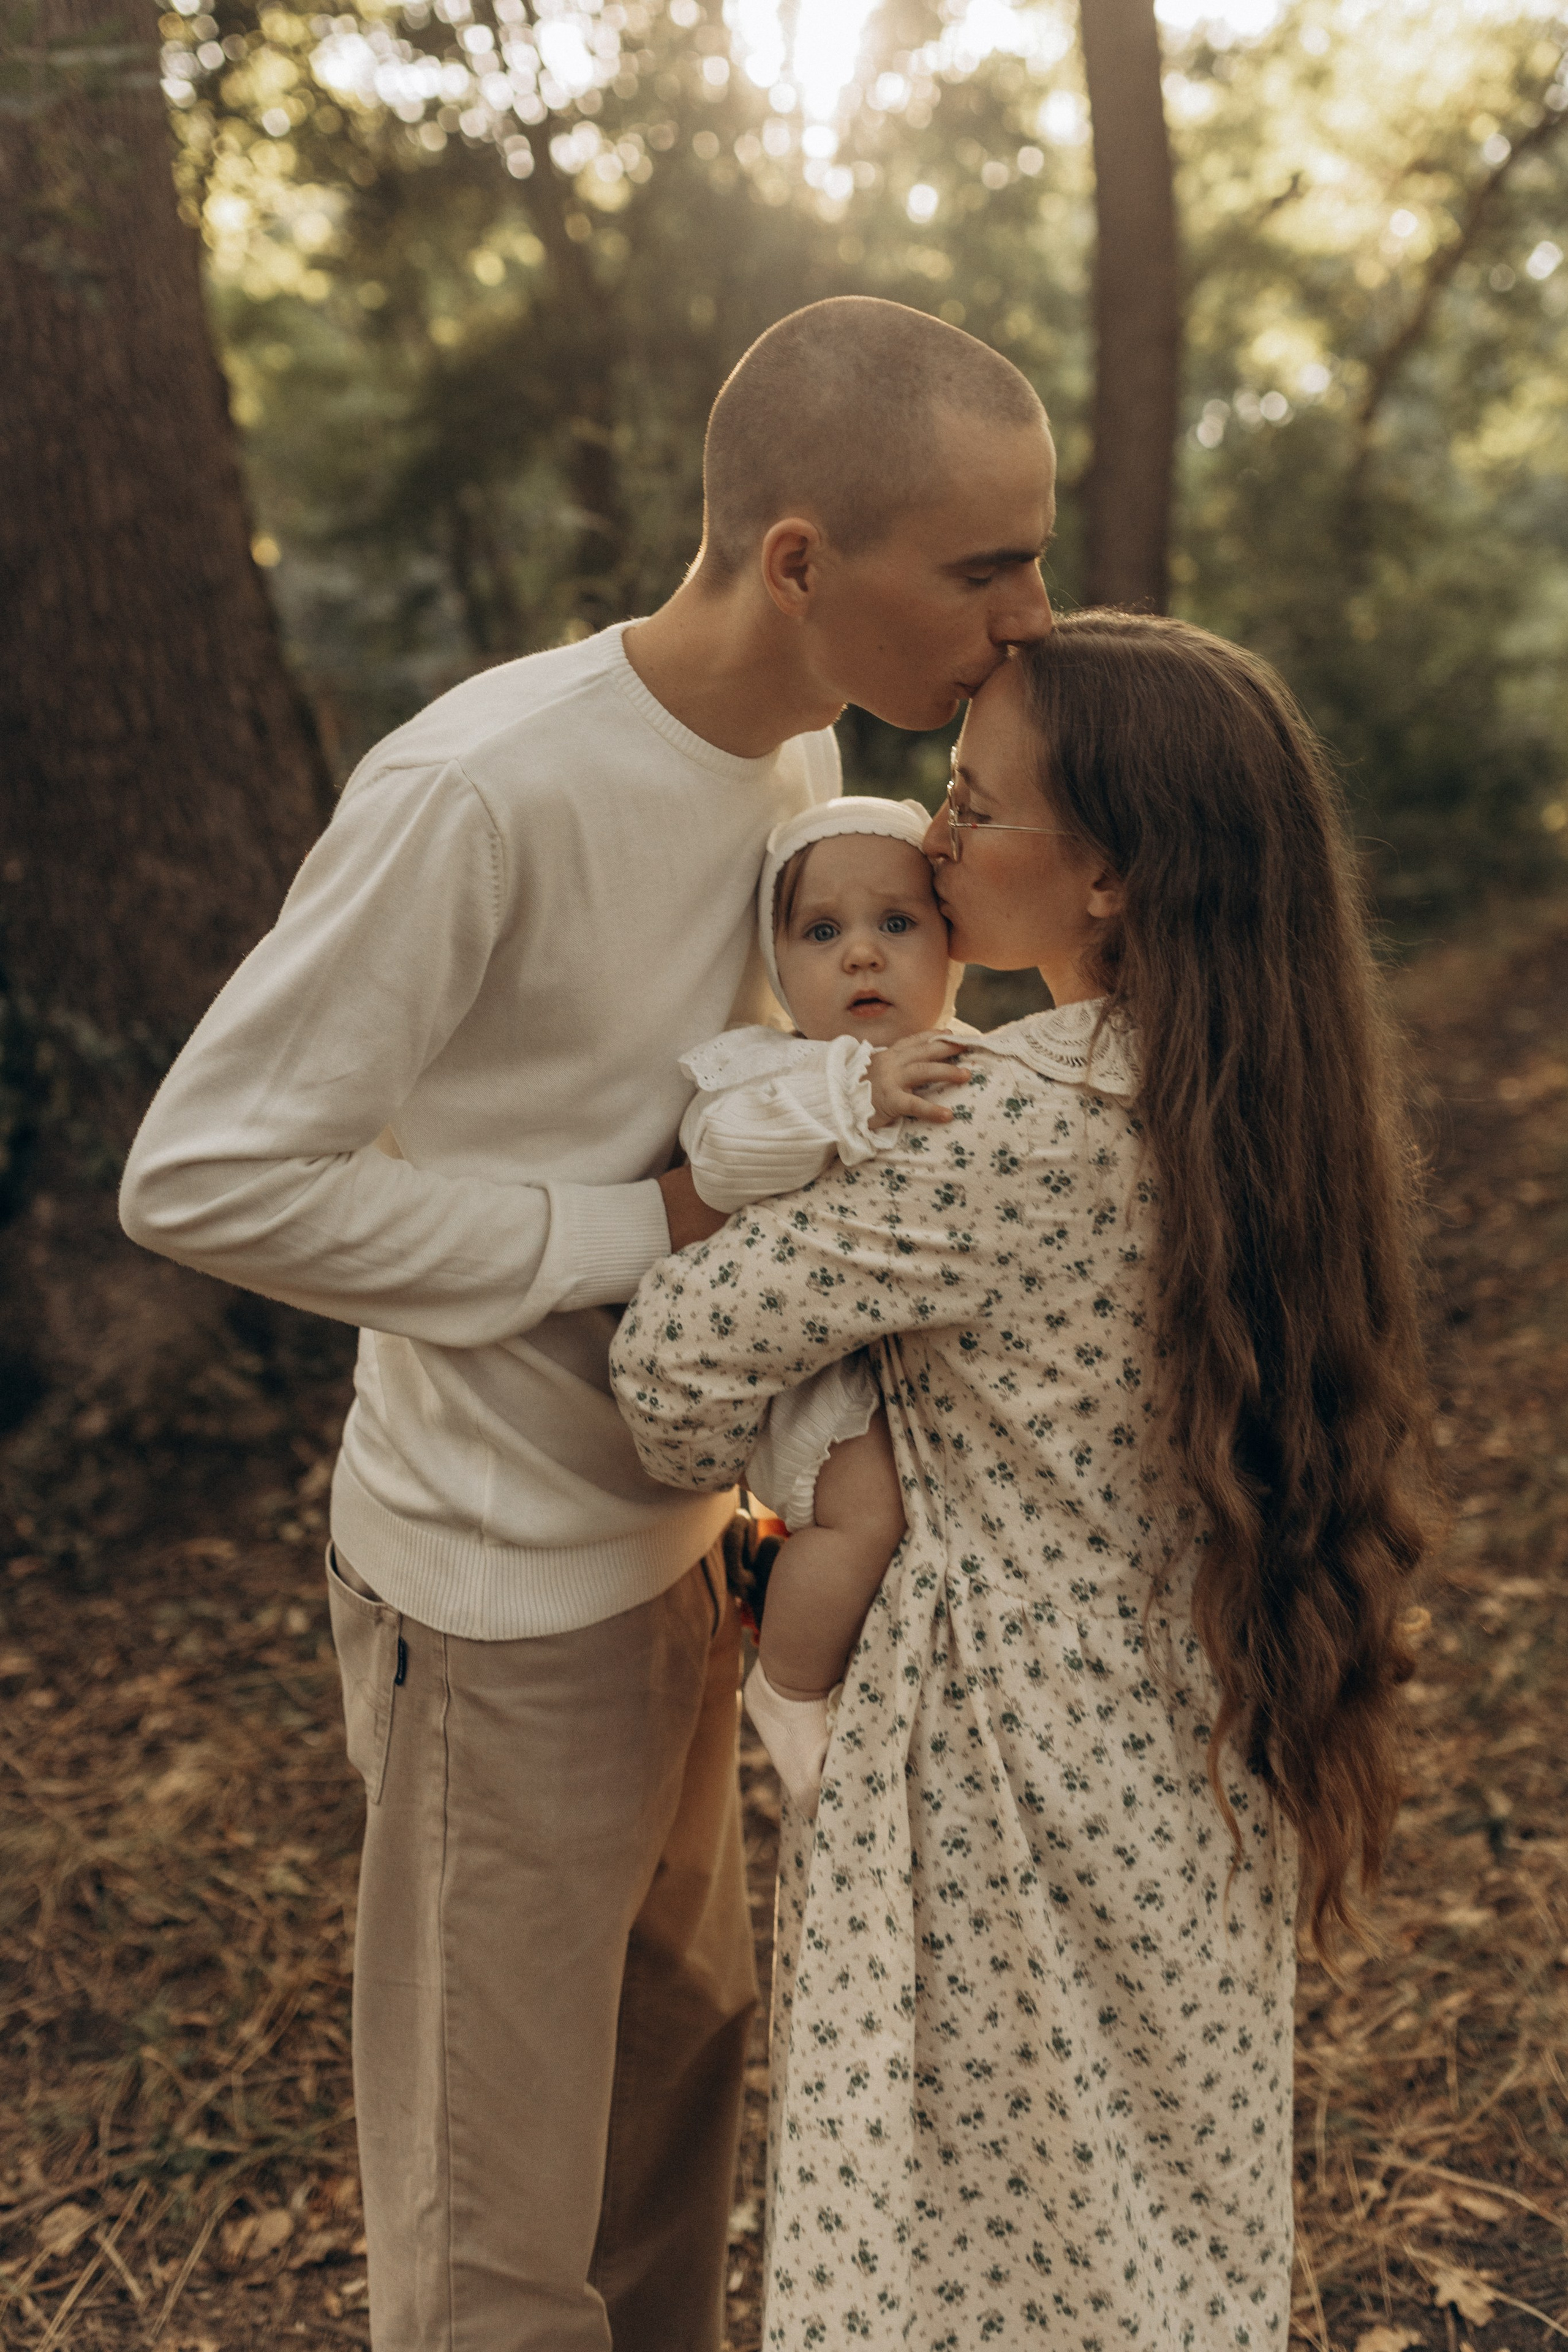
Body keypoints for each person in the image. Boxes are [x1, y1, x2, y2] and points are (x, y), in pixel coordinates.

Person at [116, 295, 1055, 2352]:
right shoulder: (481, 789)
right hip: (493, 1597)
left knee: (671, 2135)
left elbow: (745, 1115)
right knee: (495, 2244)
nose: (1026, 614)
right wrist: (629, 1231)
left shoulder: (801, 759)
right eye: (988, 565)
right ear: (805, 561)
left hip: (690, 1561)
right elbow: (203, 1176)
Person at [611, 611, 1431, 2349]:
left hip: (998, 1774)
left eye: (974, 809)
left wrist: (784, 1467)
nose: (931, 841)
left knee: (952, 2252)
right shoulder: (1261, 1093)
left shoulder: (995, 1125)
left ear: (1114, 874)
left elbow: (671, 1373)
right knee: (1145, 2230)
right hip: (1206, 1730)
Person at [673, 795, 974, 1812]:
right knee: (865, 1516)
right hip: (823, 1385)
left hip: (932, 1371)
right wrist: (854, 1097)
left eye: (897, 925)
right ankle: (791, 1686)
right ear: (776, 961)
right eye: (822, 931)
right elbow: (719, 1163)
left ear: (951, 950)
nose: (861, 957)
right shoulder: (771, 1071)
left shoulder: (970, 1058)